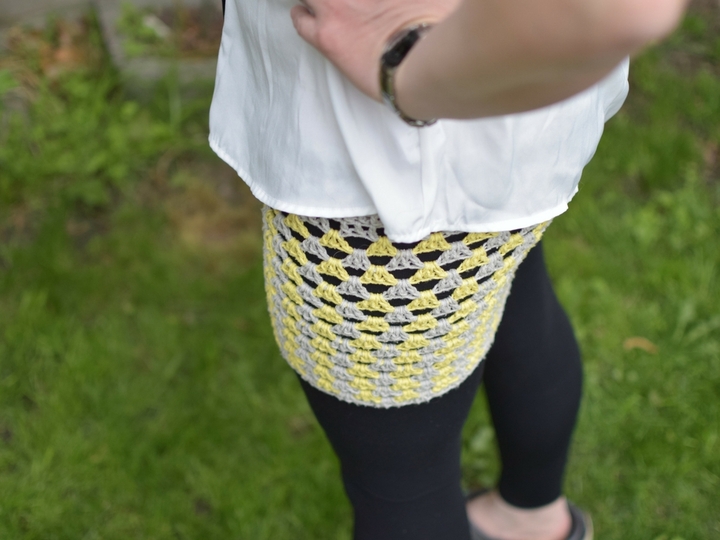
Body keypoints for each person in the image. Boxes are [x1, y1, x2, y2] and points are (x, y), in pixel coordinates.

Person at [209, 0, 688, 538]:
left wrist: (407, 71)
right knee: (510, 285)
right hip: (514, 115)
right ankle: (529, 518)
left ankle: (529, 518)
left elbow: (620, 11)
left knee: (399, 482)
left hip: (380, 148)